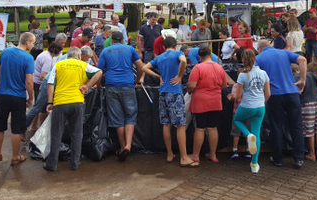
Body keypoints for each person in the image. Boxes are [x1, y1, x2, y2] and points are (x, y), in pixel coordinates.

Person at [44, 47, 102, 172]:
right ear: (79, 56)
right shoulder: (82, 65)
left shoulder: (58, 65)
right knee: (76, 134)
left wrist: (50, 101)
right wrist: (87, 86)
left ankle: (52, 165)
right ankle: (75, 163)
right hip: (77, 102)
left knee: (56, 134)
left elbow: (50, 83)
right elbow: (99, 72)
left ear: (67, 55)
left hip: (60, 103)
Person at [141, 37, 196, 167]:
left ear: (164, 47)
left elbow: (144, 68)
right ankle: (183, 157)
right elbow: (183, 61)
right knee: (181, 125)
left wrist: (158, 76)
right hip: (174, 93)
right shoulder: (178, 53)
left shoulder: (159, 57)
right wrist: (179, 76)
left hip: (162, 93)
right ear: (175, 46)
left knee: (166, 124)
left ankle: (170, 154)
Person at [255, 40, 307, 169]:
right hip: (292, 92)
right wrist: (302, 79)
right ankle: (298, 158)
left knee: (276, 126)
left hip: (274, 95)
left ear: (259, 49)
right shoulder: (285, 53)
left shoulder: (258, 58)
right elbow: (303, 59)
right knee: (296, 126)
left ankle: (278, 158)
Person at [96, 31, 144, 161]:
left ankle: (122, 147)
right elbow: (141, 67)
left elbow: (99, 72)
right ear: (123, 40)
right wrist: (138, 80)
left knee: (117, 118)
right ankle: (129, 145)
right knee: (130, 116)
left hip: (111, 86)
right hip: (128, 85)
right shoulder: (130, 49)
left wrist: (99, 86)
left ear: (111, 41)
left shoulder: (105, 51)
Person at [0, 32, 35, 165]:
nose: (33, 45)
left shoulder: (5, 52)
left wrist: (2, 86)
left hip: (3, 95)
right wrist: (31, 98)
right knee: (16, 128)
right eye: (32, 43)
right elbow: (29, 82)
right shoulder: (28, 58)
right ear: (27, 43)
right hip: (18, 97)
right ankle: (15, 156)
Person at [228, 49, 269, 173]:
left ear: (243, 60)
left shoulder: (242, 75)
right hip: (260, 106)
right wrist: (262, 102)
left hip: (246, 105)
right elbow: (268, 93)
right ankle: (254, 164)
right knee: (256, 132)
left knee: (237, 119)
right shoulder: (263, 73)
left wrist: (232, 96)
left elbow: (238, 95)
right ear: (255, 58)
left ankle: (247, 134)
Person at [188, 47, 229, 164]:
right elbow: (224, 85)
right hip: (215, 101)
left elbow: (191, 86)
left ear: (200, 57)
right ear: (210, 55)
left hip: (200, 101)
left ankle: (196, 155)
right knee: (212, 127)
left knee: (200, 128)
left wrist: (190, 89)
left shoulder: (198, 68)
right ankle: (213, 154)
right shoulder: (219, 67)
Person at [26, 43, 64, 133]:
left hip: (38, 82)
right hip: (40, 84)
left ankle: (34, 125)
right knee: (38, 106)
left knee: (39, 107)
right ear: (55, 51)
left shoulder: (45, 54)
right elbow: (43, 76)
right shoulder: (48, 59)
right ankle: (24, 126)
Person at [299, 63, 317, 161]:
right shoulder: (311, 75)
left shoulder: (296, 77)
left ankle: (312, 154)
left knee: (310, 131)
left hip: (307, 105)